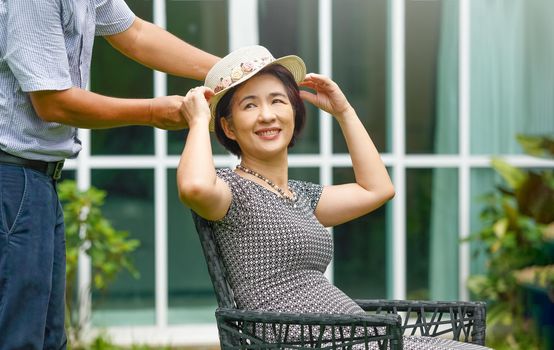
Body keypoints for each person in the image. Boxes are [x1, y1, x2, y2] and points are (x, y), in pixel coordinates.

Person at [177, 46, 490, 349]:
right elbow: (195, 188)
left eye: (277, 101)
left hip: (354, 335)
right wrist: (198, 121)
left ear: (294, 112)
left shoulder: (299, 196)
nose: (267, 115)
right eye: (250, 105)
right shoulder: (233, 190)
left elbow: (377, 189)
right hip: (308, 341)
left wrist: (345, 112)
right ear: (229, 128)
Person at [0, 1, 219, 349]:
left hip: (37, 180)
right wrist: (151, 111)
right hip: (12, 179)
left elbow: (136, 34)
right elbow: (52, 102)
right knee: (20, 337)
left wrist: (231, 71)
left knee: (46, 338)